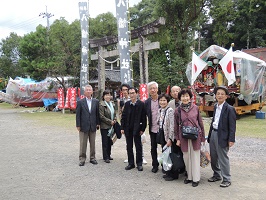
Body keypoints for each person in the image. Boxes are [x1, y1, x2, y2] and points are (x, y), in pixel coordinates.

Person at [174, 88, 205, 187]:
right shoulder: (177, 110)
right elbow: (176, 125)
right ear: (180, 98)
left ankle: (196, 178)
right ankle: (189, 177)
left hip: (195, 135)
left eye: (187, 96)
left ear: (190, 97)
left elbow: (200, 123)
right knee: (186, 157)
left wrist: (203, 137)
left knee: (195, 157)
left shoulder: (195, 108)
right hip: (183, 136)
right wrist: (177, 139)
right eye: (183, 96)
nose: (185, 98)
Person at [207, 86, 236, 188]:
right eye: (218, 93)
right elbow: (214, 121)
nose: (219, 95)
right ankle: (216, 174)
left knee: (223, 157)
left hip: (223, 135)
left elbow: (232, 126)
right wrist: (209, 135)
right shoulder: (215, 106)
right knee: (213, 156)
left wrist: (231, 139)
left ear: (226, 96)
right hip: (214, 133)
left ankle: (227, 179)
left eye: (222, 94)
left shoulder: (230, 109)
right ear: (215, 96)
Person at [121, 87, 147, 171]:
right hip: (128, 128)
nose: (131, 95)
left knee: (138, 146)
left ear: (137, 94)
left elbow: (144, 118)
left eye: (133, 93)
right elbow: (123, 117)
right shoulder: (127, 104)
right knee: (129, 146)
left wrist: (142, 129)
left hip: (137, 129)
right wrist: (122, 127)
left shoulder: (141, 104)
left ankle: (139, 164)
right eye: (130, 93)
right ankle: (131, 163)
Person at [76, 85, 100, 166]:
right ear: (84, 92)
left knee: (92, 143)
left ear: (92, 92)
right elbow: (78, 115)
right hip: (83, 125)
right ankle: (82, 159)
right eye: (87, 90)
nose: (89, 91)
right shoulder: (80, 102)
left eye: (90, 90)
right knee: (83, 143)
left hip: (93, 125)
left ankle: (92, 158)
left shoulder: (96, 101)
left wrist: (98, 123)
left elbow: (97, 114)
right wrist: (78, 125)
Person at [157, 93, 176, 181]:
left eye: (164, 100)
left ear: (167, 101)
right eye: (160, 100)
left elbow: (172, 125)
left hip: (168, 135)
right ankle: (167, 171)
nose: (162, 102)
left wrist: (170, 139)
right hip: (162, 134)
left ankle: (172, 174)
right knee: (165, 153)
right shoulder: (160, 110)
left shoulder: (170, 110)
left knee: (170, 155)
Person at [145, 81, 160, 173]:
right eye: (151, 89)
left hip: (162, 129)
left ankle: (165, 165)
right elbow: (144, 116)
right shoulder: (147, 102)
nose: (153, 90)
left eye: (154, 88)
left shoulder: (163, 99)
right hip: (152, 128)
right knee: (153, 147)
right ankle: (155, 165)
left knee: (165, 148)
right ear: (148, 91)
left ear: (157, 89)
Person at [99, 90, 117, 163]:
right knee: (105, 142)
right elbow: (101, 116)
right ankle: (105, 156)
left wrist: (115, 120)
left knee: (110, 141)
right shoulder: (101, 104)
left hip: (112, 126)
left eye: (109, 95)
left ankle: (109, 155)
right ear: (103, 96)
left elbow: (115, 113)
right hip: (105, 126)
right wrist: (110, 122)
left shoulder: (112, 104)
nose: (107, 96)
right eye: (106, 95)